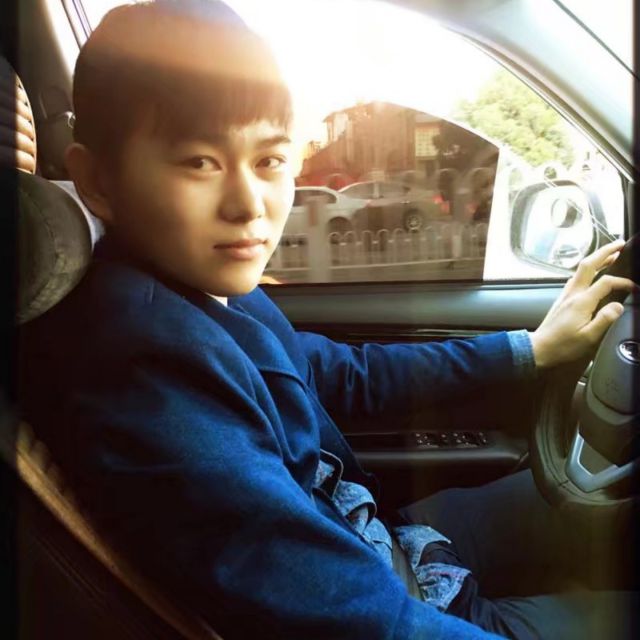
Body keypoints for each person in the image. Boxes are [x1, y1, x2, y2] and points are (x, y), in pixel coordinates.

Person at [18, 1, 637, 638]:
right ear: (98, 181)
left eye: (269, 160)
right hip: (395, 597)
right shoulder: (144, 371)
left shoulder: (197, 287)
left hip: (387, 546)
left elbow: (337, 373)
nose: (249, 205)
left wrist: (529, 351)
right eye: (199, 162)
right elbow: (357, 619)